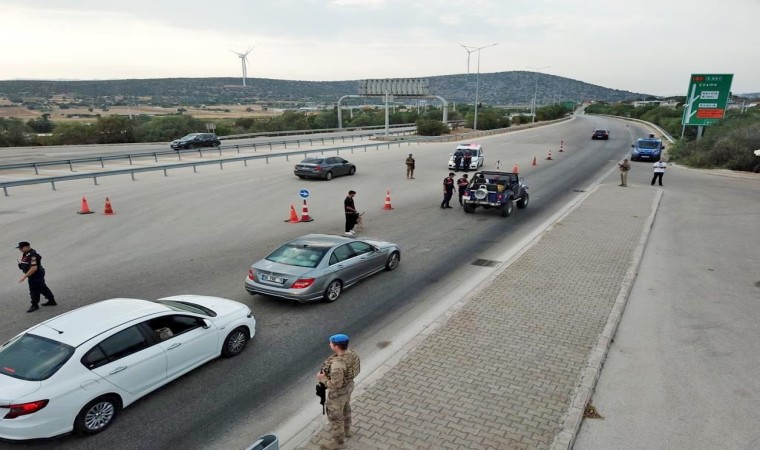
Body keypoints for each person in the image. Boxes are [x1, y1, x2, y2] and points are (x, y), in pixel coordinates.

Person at [317, 333, 361, 450]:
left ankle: (338, 442)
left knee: (335, 416)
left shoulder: (337, 365)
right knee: (346, 408)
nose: (330, 345)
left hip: (339, 392)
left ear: (336, 347)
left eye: (331, 343)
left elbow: (335, 385)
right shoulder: (351, 353)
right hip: (349, 386)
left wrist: (323, 379)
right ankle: (347, 431)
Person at [16, 241, 56, 313]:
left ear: (26, 247)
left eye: (21, 248)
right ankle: (51, 300)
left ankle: (34, 305)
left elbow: (34, 268)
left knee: (34, 289)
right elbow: (27, 263)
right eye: (19, 248)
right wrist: (21, 266)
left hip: (36, 274)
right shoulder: (26, 254)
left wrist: (24, 277)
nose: (20, 250)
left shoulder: (33, 255)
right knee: (42, 287)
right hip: (33, 274)